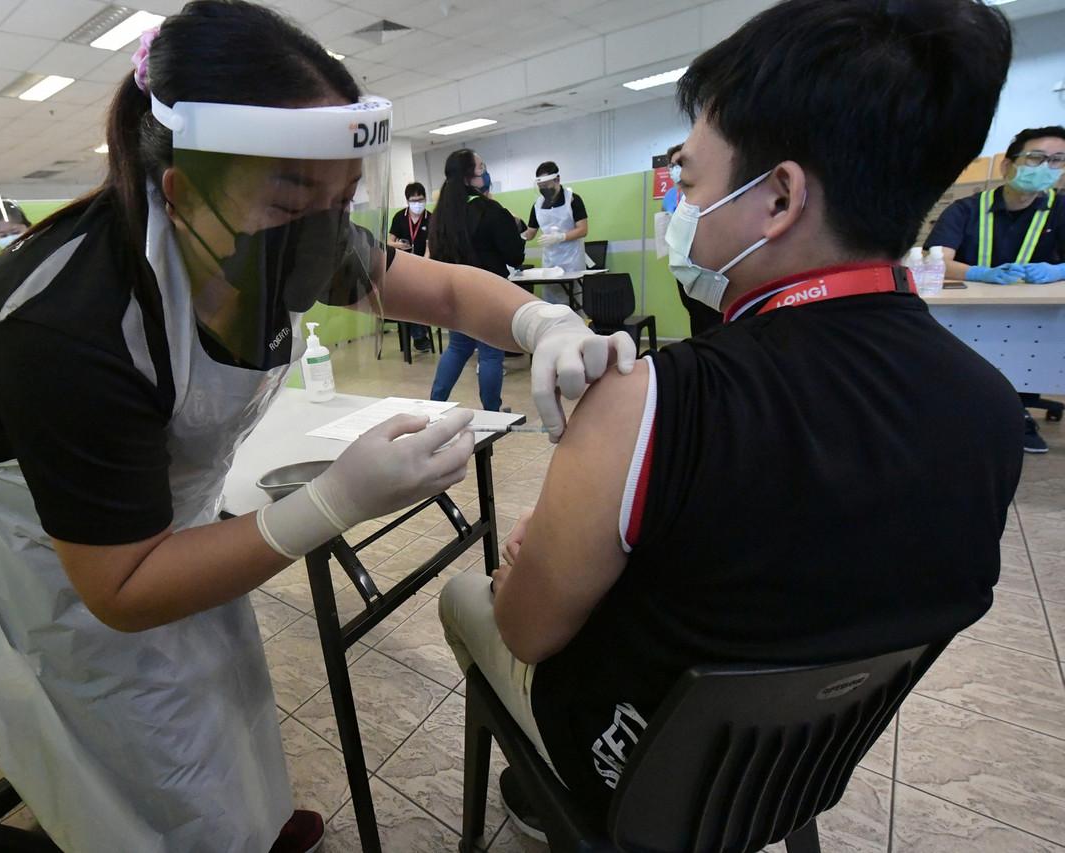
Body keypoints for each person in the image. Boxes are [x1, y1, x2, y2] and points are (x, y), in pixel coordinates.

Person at [0, 5, 634, 853]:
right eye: (291, 201)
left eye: (342, 199)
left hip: (156, 514)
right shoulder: (68, 327)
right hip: (30, 544)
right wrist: (333, 499)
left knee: (223, 674)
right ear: (182, 191)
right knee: (141, 741)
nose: (324, 231)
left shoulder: (263, 232)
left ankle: (257, 824)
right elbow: (121, 591)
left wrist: (544, 324)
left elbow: (452, 294)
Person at [438, 0, 1022, 839]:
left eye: (693, 182)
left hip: (631, 773)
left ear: (779, 197)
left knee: (476, 597)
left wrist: (527, 565)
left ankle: (536, 796)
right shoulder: (993, 409)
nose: (682, 204)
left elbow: (527, 632)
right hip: (800, 768)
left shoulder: (652, 400)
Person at [924, 125, 1065, 453]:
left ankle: (1019, 414)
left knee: (1029, 346)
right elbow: (936, 258)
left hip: (1039, 313)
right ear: (1007, 165)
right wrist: (980, 272)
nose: (1046, 168)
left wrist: (1057, 271)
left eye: (1057, 161)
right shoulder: (966, 209)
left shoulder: (1060, 209)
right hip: (973, 307)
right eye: (1036, 158)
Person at [428, 148, 528, 411]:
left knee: (458, 348)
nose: (486, 172)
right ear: (468, 177)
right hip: (488, 292)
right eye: (482, 168)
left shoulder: (441, 215)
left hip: (454, 293)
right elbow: (515, 255)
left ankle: (435, 404)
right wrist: (513, 226)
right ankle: (492, 410)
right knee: (491, 352)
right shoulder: (490, 210)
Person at [663, 142, 722, 335]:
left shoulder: (711, 192)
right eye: (673, 165)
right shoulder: (672, 196)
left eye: (681, 162)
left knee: (714, 317)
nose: (676, 169)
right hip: (682, 265)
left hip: (709, 267)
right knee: (694, 315)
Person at [522, 161, 588, 306]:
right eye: (541, 187)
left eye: (547, 186)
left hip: (572, 260)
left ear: (557, 180)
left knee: (574, 302)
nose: (544, 190)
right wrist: (517, 235)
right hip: (550, 261)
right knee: (552, 303)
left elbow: (583, 229)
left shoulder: (573, 199)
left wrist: (560, 237)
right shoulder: (538, 205)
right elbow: (531, 232)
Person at [389, 181, 434, 351]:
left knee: (418, 297)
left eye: (420, 199)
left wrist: (421, 265)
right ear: (407, 201)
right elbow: (388, 242)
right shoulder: (400, 217)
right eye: (414, 200)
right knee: (407, 298)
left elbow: (429, 249)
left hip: (424, 267)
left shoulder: (430, 218)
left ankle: (419, 335)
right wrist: (399, 245)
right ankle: (419, 336)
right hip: (402, 268)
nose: (417, 204)